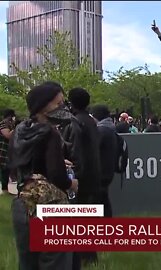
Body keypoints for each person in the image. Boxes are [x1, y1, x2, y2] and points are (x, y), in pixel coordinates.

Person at [9, 82, 78, 270]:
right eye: (58, 104)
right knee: (56, 262)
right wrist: (71, 183)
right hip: (51, 208)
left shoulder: (19, 131)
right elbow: (57, 176)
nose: (62, 108)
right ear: (42, 106)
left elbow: (20, 164)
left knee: (28, 264)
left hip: (22, 205)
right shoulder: (50, 132)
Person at [62, 87, 102, 268]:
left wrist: (74, 175)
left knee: (79, 218)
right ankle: (89, 255)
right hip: (93, 175)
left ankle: (82, 255)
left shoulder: (76, 122)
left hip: (81, 177)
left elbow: (76, 152)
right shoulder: (91, 121)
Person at [90, 105, 117, 218]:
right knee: (104, 200)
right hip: (108, 170)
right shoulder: (110, 129)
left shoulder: (101, 131)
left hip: (100, 171)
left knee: (99, 201)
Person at [0, 109, 15, 194]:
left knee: (6, 169)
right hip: (2, 150)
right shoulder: (4, 123)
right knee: (4, 169)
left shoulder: (9, 124)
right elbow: (8, 135)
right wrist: (16, 128)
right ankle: (4, 189)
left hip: (7, 150)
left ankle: (5, 189)